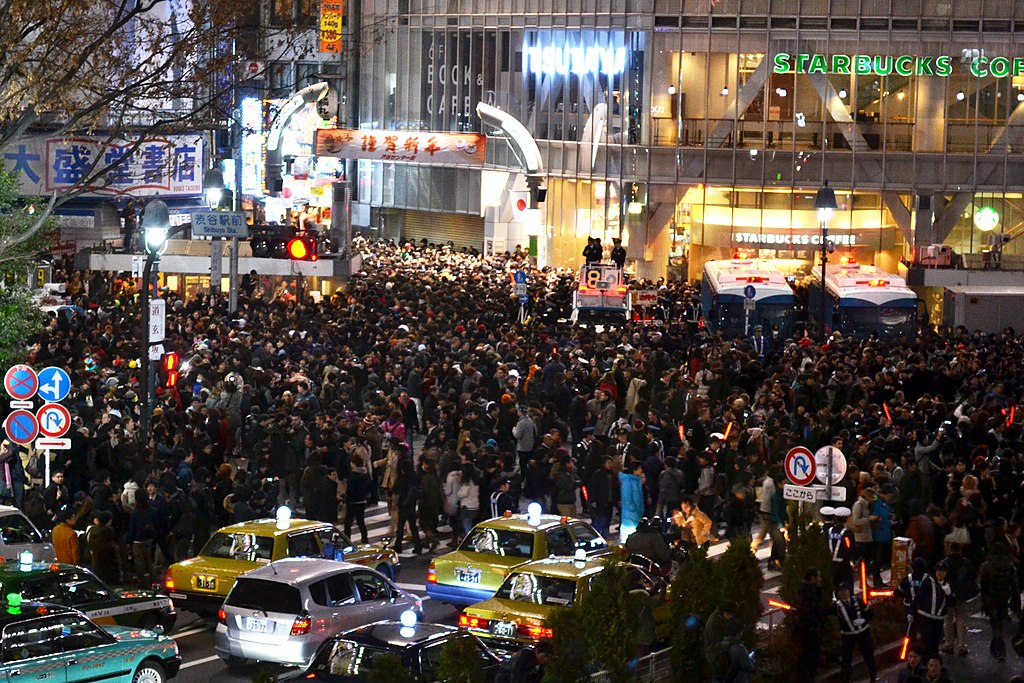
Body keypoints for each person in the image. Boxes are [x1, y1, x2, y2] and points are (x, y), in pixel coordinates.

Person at [979, 541, 1019, 661]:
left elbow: (983, 585)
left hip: (991, 599)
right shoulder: (1009, 565)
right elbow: (1014, 585)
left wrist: (983, 600)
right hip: (1003, 598)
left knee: (995, 624)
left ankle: (999, 649)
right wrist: (1015, 600)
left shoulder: (987, 565)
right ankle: (997, 647)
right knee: (1000, 624)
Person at [831, 582, 877, 683]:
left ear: (849, 591)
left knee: (868, 655)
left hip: (863, 633)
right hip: (848, 636)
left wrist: (865, 620)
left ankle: (873, 677)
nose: (843, 593)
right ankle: (845, 679)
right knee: (846, 659)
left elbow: (868, 613)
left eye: (845, 590)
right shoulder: (837, 606)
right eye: (841, 591)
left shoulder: (858, 601)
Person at [941, 543, 975, 656]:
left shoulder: (944, 562)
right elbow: (972, 576)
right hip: (962, 594)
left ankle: (949, 643)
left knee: (947, 620)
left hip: (948, 594)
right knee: (961, 619)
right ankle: (962, 645)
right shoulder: (966, 562)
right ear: (960, 550)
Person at [795, 568, 825, 683]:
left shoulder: (808, 590)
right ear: (813, 578)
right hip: (810, 630)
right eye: (819, 576)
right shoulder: (810, 593)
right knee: (810, 657)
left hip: (808, 629)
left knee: (807, 657)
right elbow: (810, 612)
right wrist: (815, 625)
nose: (820, 579)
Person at [915, 561, 951, 658]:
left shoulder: (948, 584)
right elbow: (919, 597)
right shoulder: (928, 581)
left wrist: (949, 594)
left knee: (935, 643)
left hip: (939, 620)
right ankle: (926, 662)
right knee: (926, 642)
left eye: (943, 571)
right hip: (926, 618)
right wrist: (912, 612)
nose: (940, 573)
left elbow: (952, 603)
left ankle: (933, 663)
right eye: (939, 570)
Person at [704, 601, 738, 680]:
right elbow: (717, 641)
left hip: (718, 653)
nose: (730, 617)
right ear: (724, 612)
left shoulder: (719, 618)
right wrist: (731, 642)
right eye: (729, 614)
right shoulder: (714, 623)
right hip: (715, 654)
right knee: (718, 677)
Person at [345, 455, 372, 544]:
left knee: (348, 523)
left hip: (352, 501)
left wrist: (346, 498)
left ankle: (347, 540)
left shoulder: (353, 475)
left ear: (353, 464)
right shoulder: (365, 473)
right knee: (361, 522)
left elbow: (350, 489)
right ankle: (365, 540)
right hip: (362, 500)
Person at [828, 507, 857, 588]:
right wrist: (853, 561)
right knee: (846, 586)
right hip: (844, 564)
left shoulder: (830, 531)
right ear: (847, 519)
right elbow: (850, 548)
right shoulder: (847, 533)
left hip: (831, 563)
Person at [618, 460, 644, 541]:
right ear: (634, 470)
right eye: (639, 468)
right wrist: (633, 510)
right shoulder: (628, 481)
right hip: (631, 515)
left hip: (636, 513)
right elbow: (627, 498)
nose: (641, 470)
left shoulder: (636, 480)